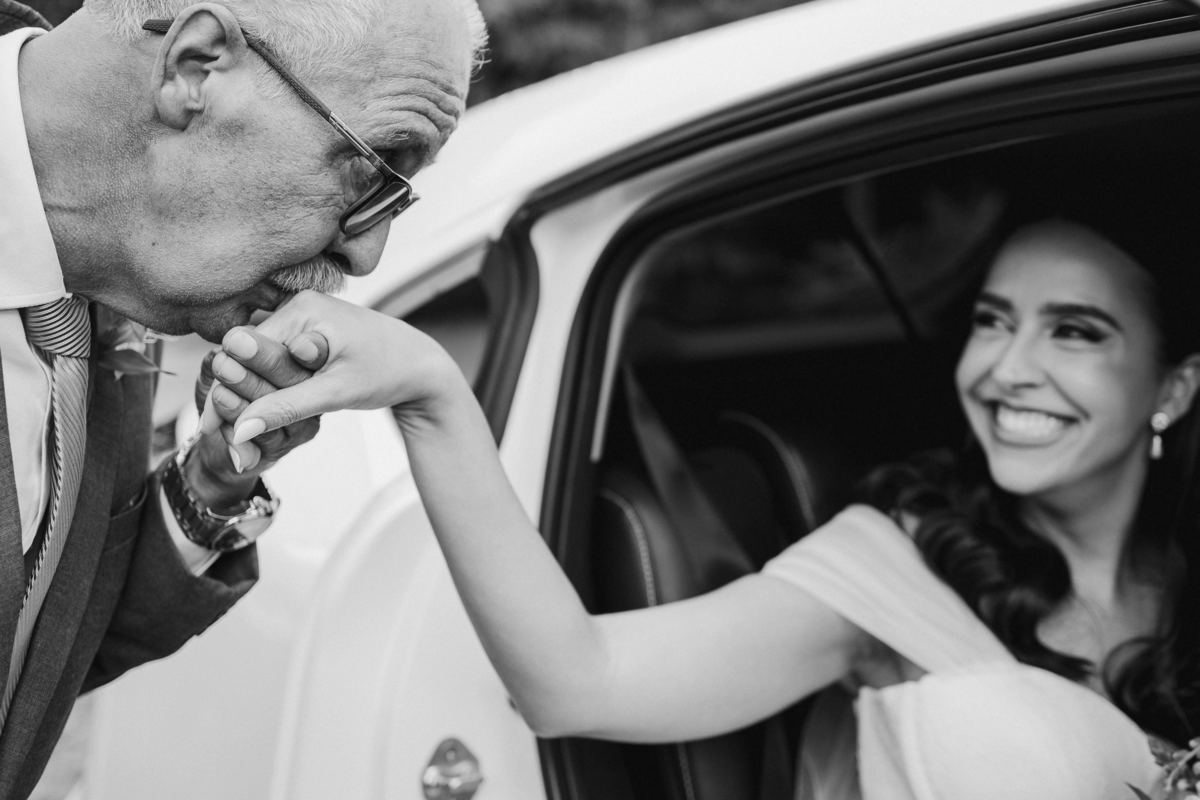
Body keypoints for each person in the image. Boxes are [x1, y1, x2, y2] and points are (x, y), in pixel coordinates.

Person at [210, 199, 1200, 797]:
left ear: (1173, 386)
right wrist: (434, 396)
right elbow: (576, 679)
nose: (1008, 368)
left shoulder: (1183, 568)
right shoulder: (890, 564)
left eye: (1076, 332)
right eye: (992, 320)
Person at [0, 0, 484, 794]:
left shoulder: (113, 271)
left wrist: (211, 485)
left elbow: (36, 663)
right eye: (377, 165)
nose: (366, 252)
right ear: (197, 66)